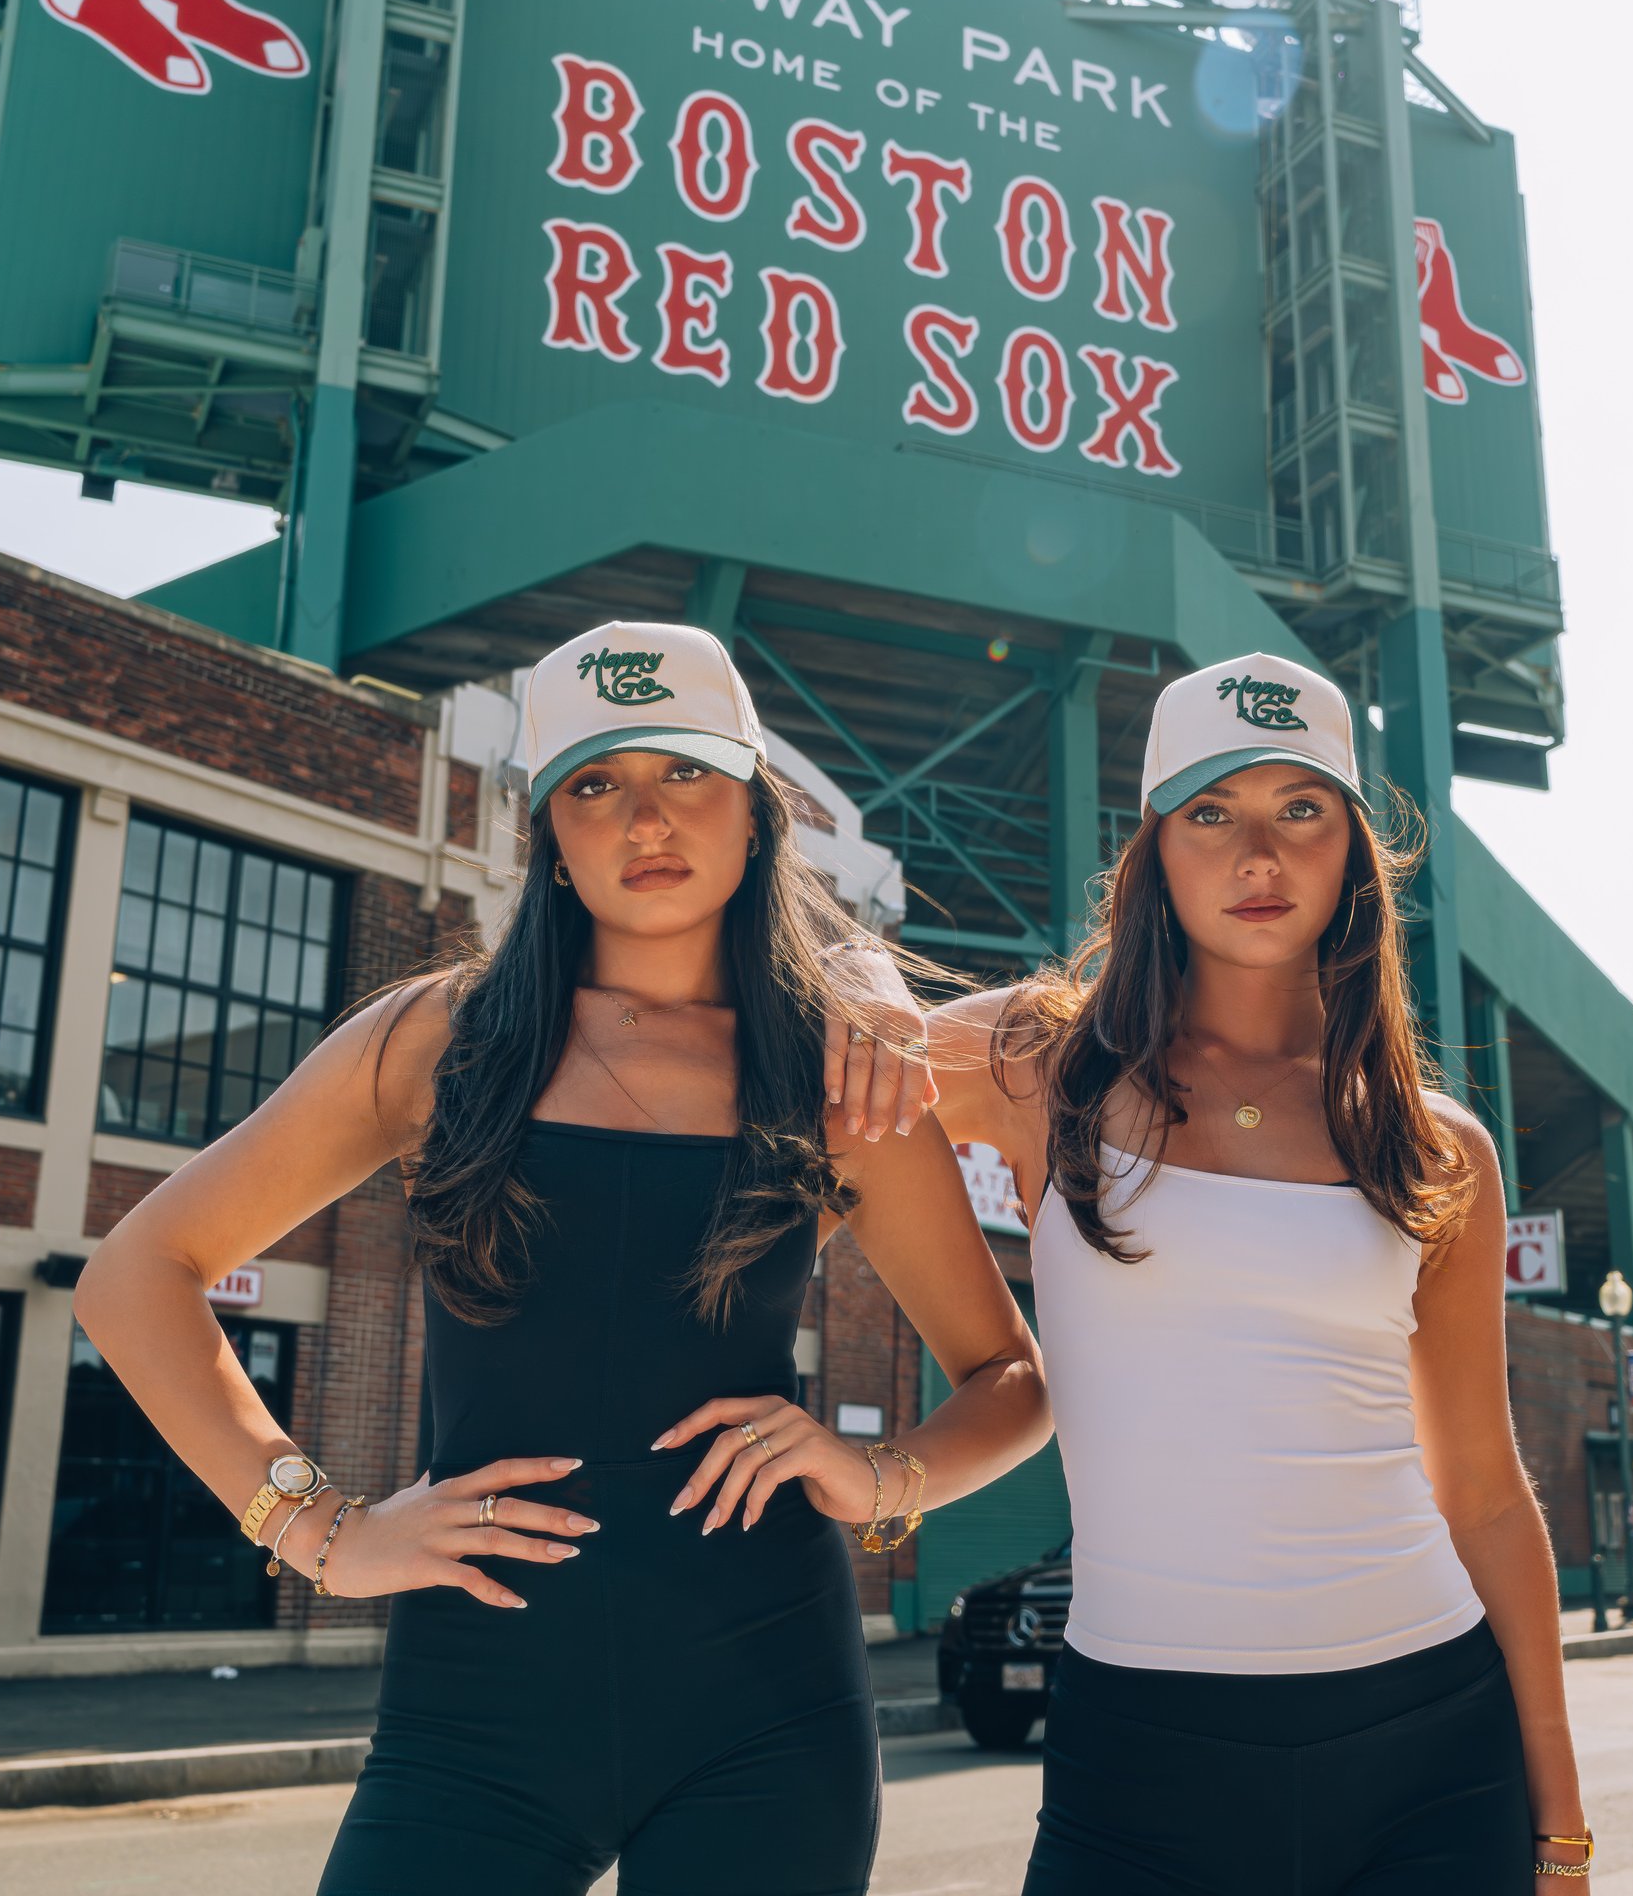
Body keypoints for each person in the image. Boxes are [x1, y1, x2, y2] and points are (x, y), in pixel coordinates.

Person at [74, 619, 1052, 1895]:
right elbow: (137, 1273)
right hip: (474, 1716)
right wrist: (321, 1531)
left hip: (767, 1703)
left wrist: (876, 1475)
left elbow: (1008, 1376)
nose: (645, 818)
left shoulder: (832, 1073)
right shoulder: (438, 1040)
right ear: (550, 838)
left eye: (684, 773)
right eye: (595, 785)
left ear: (756, 814)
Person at [915, 653, 1593, 1891]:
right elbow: (804, 1080)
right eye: (1213, 813)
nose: (1258, 857)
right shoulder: (1040, 1061)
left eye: (1302, 811)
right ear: (1155, 851)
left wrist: (1561, 1818)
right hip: (1140, 1755)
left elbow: (1485, 1492)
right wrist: (901, 1438)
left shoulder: (1437, 1144)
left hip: (1429, 1746)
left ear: (1351, 855)